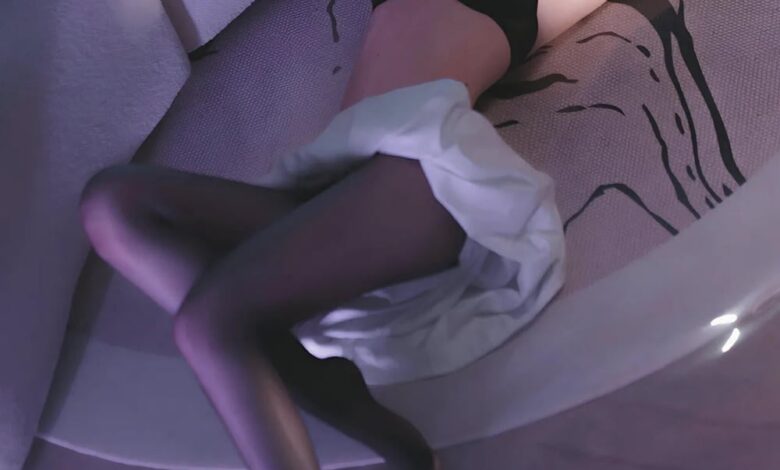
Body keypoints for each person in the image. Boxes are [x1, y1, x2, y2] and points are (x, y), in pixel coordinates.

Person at [78, 0, 605, 468]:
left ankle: (339, 401)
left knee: (209, 321)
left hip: (421, 175)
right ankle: (316, 379)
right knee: (111, 202)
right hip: (332, 185)